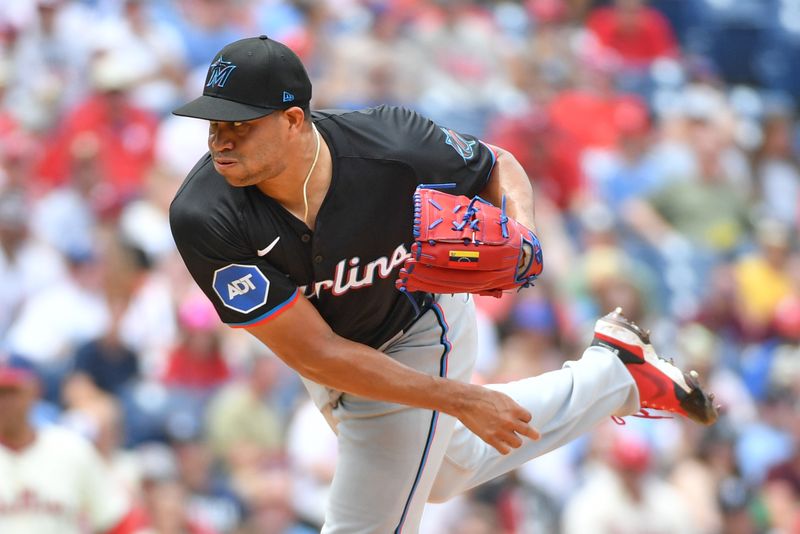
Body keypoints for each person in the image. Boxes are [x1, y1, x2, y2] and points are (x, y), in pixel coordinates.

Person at [169, 36, 718, 533]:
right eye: (214, 123)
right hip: (334, 353)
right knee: (446, 473)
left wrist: (520, 228)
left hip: (419, 327)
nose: (221, 139)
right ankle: (616, 375)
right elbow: (317, 353)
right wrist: (464, 400)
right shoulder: (205, 214)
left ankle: (615, 377)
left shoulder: (390, 143)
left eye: (241, 124)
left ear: (292, 121)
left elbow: (496, 163)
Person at [0, 356, 136, 534]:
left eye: (11, 392)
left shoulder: (71, 450)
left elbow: (115, 521)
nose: (4, 403)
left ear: (34, 391)